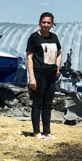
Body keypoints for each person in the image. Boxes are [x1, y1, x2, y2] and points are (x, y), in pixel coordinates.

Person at [25, 12, 62, 140]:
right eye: (44, 22)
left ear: (52, 24)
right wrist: (32, 77)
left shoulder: (54, 37)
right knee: (38, 103)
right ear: (40, 23)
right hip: (39, 74)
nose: (46, 25)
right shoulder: (34, 38)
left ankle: (47, 132)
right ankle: (36, 132)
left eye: (48, 22)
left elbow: (59, 53)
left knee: (48, 104)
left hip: (51, 75)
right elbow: (29, 58)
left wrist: (57, 68)